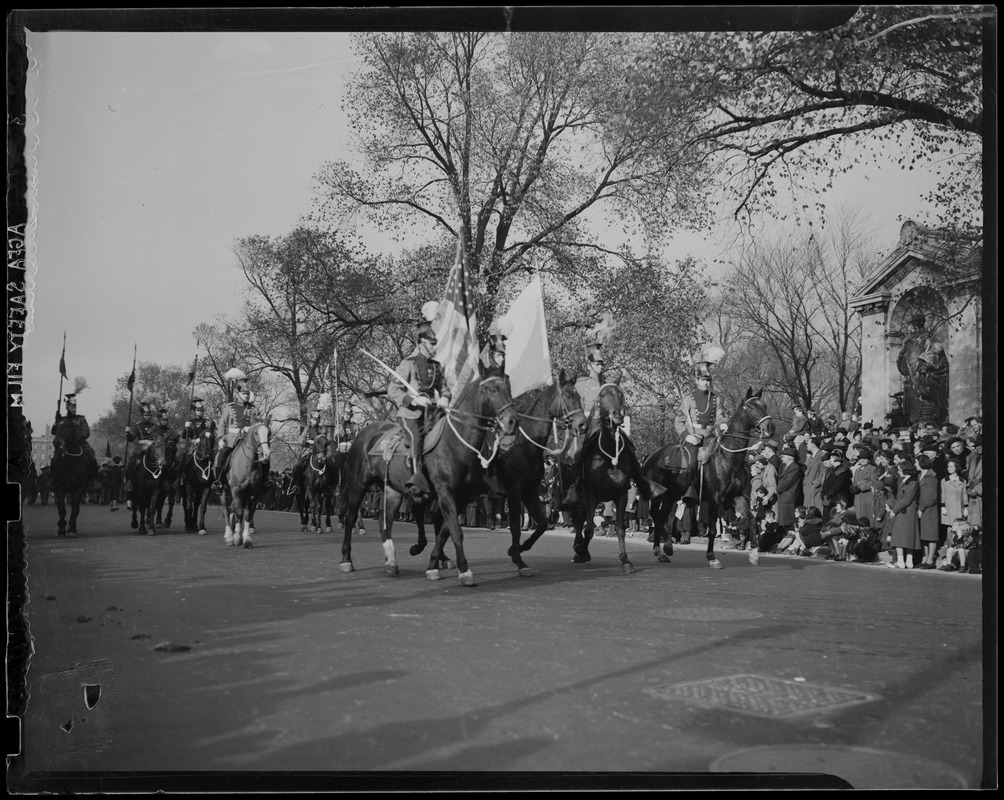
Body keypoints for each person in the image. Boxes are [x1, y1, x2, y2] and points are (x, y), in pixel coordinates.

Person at [561, 315, 659, 510]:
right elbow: (572, 407)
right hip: (585, 429)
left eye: (602, 364)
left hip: (606, 427)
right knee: (574, 454)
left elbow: (616, 406)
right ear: (589, 364)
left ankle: (643, 483)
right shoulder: (580, 384)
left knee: (629, 447)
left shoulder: (610, 384)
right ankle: (573, 488)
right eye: (597, 364)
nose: (600, 366)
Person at [388, 302, 452, 501]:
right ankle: (417, 480)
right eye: (432, 343)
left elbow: (444, 388)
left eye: (436, 343)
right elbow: (393, 390)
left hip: (432, 413)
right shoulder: (408, 363)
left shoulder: (436, 365)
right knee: (417, 439)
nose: (435, 347)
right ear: (421, 342)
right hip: (410, 415)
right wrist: (413, 401)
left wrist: (443, 398)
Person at [672, 346, 728, 506]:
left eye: (708, 380)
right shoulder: (688, 399)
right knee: (691, 463)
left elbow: (720, 416)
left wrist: (723, 424)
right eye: (703, 380)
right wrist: (687, 436)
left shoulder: (716, 399)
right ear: (697, 381)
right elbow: (678, 422)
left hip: (711, 438)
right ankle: (690, 490)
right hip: (693, 438)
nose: (706, 383)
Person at [896, 312, 949, 425]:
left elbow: (936, 350)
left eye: (911, 325)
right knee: (913, 397)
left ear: (916, 325)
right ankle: (916, 421)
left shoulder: (928, 337)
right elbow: (902, 360)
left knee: (926, 396)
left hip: (924, 374)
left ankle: (930, 421)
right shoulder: (908, 341)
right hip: (912, 375)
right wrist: (901, 356)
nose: (910, 328)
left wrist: (925, 364)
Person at [213, 371, 256, 491]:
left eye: (247, 394)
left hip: (248, 440)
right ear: (238, 394)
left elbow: (258, 424)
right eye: (244, 394)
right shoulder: (229, 407)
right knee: (221, 457)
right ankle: (219, 482)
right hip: (232, 439)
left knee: (263, 459)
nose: (246, 396)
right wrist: (221, 438)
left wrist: (251, 428)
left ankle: (264, 481)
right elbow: (222, 424)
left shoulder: (253, 409)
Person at [52, 391, 101, 483]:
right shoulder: (63, 419)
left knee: (91, 457)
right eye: (71, 406)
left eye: (75, 407)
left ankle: (94, 480)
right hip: (64, 445)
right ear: (67, 407)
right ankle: (52, 480)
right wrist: (56, 422)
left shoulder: (81, 419)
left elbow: (86, 431)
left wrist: (76, 438)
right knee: (55, 459)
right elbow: (54, 432)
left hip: (80, 444)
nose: (73, 409)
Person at [124, 400, 161, 508]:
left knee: (162, 463)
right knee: (131, 464)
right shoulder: (137, 426)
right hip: (140, 450)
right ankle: (129, 486)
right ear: (142, 415)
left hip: (153, 450)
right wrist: (128, 433)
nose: (148, 416)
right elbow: (131, 439)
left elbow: (159, 438)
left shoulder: (155, 427)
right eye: (146, 414)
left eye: (149, 415)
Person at [887, 460, 921, 569]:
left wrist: (894, 510)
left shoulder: (913, 483)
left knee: (901, 537)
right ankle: (906, 561)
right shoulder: (903, 481)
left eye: (900, 470)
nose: (899, 472)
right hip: (904, 511)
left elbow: (906, 499)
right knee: (906, 537)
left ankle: (903, 561)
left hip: (907, 511)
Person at [290, 407, 331, 492]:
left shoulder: (321, 429)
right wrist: (306, 441)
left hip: (319, 452)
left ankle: (330, 485)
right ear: (311, 419)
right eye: (313, 419)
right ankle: (296, 484)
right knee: (298, 465)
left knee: (330, 464)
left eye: (317, 419)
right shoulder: (307, 429)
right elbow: (300, 439)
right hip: (308, 451)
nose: (315, 421)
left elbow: (327, 439)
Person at [916, 454, 941, 568]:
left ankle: (930, 560)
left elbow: (931, 497)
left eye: (917, 462)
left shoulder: (931, 477)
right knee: (924, 535)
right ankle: (925, 558)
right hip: (922, 509)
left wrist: (921, 508)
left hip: (929, 510)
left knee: (931, 535)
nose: (915, 464)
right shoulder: (920, 475)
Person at [774, 444, 803, 537]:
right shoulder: (786, 467)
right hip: (784, 496)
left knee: (789, 521)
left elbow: (787, 482)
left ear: (790, 458)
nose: (782, 458)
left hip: (789, 497)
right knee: (784, 521)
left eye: (783, 456)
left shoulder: (794, 468)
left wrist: (777, 489)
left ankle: (790, 540)